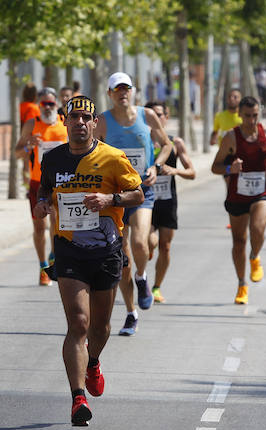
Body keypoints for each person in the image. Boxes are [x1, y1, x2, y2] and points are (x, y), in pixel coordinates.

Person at [32, 95, 144, 426]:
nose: (80, 122)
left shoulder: (112, 158)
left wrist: (110, 198)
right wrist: (42, 205)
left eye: (86, 118)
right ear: (64, 122)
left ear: (94, 123)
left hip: (107, 251)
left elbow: (137, 194)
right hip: (69, 250)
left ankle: (93, 361)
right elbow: (44, 191)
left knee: (100, 326)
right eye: (74, 117)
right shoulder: (52, 160)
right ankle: (77, 398)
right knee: (79, 323)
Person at [96, 72, 172, 336]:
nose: (122, 93)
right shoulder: (102, 122)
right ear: (109, 94)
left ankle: (142, 277)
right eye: (117, 89)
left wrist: (156, 166)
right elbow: (91, 153)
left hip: (141, 190)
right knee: (121, 260)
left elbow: (166, 144)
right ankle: (131, 313)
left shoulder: (146, 116)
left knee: (140, 243)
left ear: (133, 91)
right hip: (114, 196)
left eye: (126, 88)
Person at [211, 96, 266, 305]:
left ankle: (255, 256)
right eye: (247, 116)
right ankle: (241, 284)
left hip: (263, 190)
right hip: (237, 193)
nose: (251, 120)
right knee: (238, 242)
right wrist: (229, 168)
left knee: (257, 229)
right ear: (240, 115)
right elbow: (215, 166)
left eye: (255, 116)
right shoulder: (231, 137)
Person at [15, 87, 67, 286]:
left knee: (56, 223)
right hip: (38, 183)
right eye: (44, 104)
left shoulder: (64, 124)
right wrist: (29, 145)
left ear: (56, 105)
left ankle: (54, 257)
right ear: (38, 105)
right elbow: (17, 152)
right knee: (39, 227)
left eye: (51, 104)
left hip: (61, 182)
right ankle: (43, 265)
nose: (47, 107)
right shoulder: (31, 124)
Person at [144, 101, 195, 304]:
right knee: (149, 241)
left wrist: (174, 170)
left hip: (167, 201)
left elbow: (192, 172)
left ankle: (156, 287)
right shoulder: (141, 142)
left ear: (166, 117)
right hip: (146, 200)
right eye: (152, 115)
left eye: (160, 114)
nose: (157, 118)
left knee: (165, 246)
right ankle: (144, 262)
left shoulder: (175, 143)